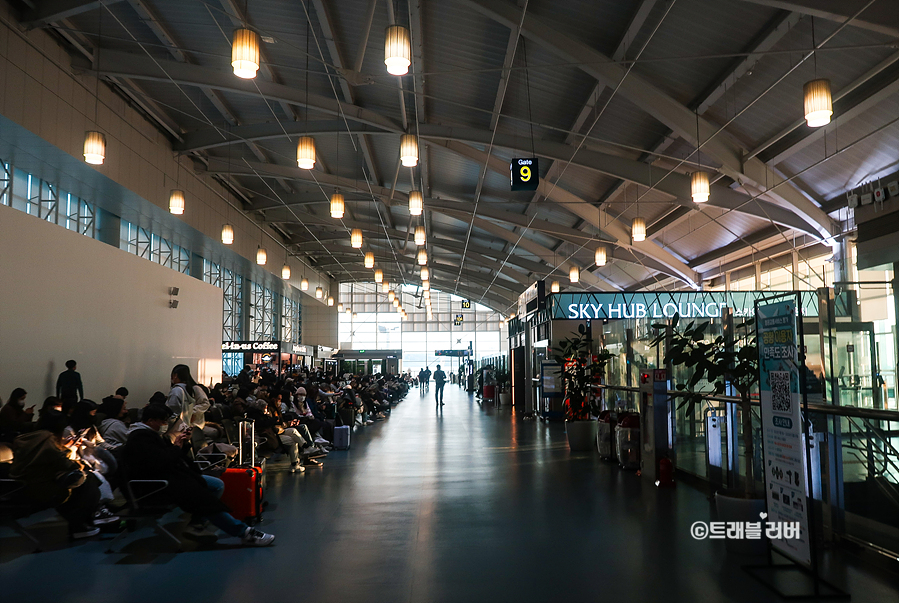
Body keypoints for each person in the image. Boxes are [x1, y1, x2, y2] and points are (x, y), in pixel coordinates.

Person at [122, 404, 274, 546]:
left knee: (215, 485)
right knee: (203, 498)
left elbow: (167, 457)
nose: (165, 425)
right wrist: (176, 448)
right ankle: (244, 532)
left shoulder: (149, 435)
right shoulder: (139, 439)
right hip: (156, 486)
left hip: (169, 478)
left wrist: (183, 444)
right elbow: (159, 462)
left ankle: (197, 523)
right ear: (150, 420)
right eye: (162, 421)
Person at [10, 410, 116, 538]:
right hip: (40, 488)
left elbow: (45, 460)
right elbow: (65, 463)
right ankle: (80, 524)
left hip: (22, 486)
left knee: (79, 482)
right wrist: (71, 452)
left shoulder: (28, 438)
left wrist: (64, 447)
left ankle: (85, 520)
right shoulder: (48, 439)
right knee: (88, 479)